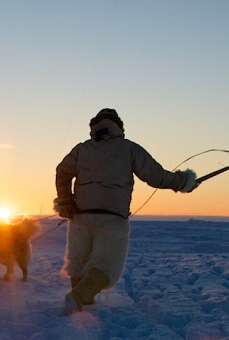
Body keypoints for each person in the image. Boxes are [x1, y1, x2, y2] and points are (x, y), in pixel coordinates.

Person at [54, 108, 197, 315]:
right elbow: (156, 176)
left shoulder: (82, 149)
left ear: (94, 127)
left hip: (81, 216)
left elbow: (62, 171)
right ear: (118, 127)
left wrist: (66, 201)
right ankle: (77, 297)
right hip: (112, 219)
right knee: (105, 264)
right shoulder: (129, 149)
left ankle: (84, 299)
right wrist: (184, 182)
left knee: (79, 260)